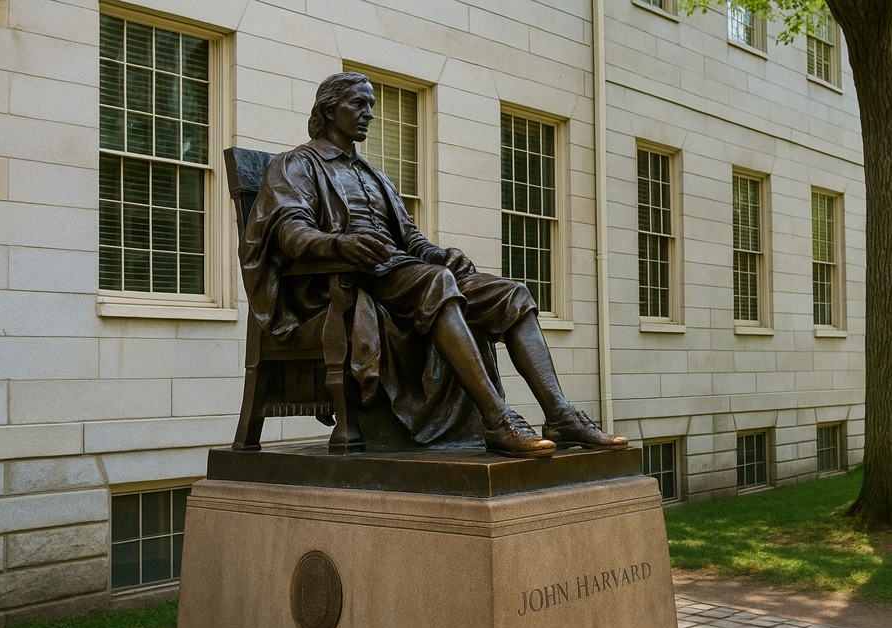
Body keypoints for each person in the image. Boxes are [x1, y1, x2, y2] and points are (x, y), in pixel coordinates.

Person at [240, 72, 626, 457]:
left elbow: (411, 239)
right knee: (438, 282)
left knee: (512, 294)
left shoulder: (375, 176)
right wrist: (339, 244)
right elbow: (288, 232)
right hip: (353, 282)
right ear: (328, 110)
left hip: (406, 273)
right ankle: (497, 420)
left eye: (371, 105)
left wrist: (441, 254)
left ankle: (560, 415)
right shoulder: (297, 164)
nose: (369, 114)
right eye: (358, 104)